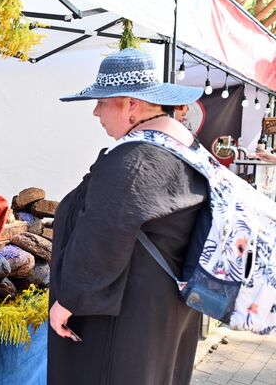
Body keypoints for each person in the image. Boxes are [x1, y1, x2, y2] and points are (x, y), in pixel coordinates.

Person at [49, 48, 208, 385]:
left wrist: (68, 300)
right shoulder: (180, 149)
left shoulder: (135, 160)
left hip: (127, 316)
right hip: (161, 306)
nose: (96, 111)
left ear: (131, 104)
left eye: (103, 102)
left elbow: (102, 236)